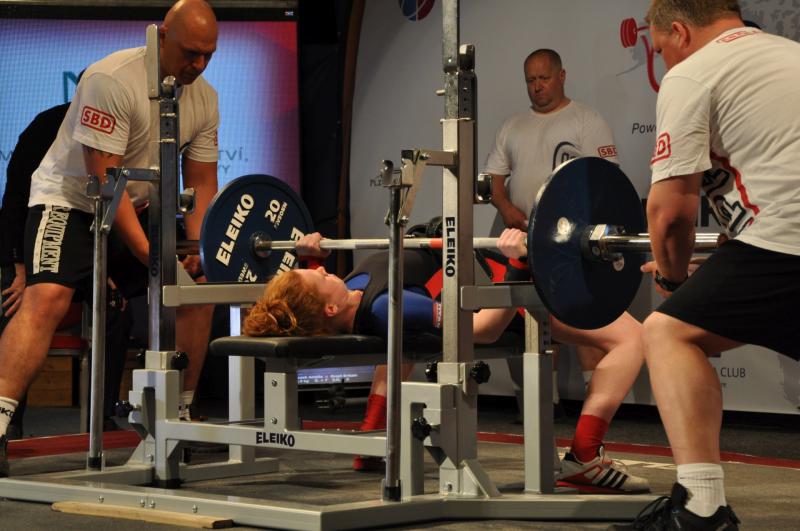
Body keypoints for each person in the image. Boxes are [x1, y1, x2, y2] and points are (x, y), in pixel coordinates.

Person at [245, 230, 650, 494]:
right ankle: (585, 456)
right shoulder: (388, 308)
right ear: (330, 309)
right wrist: (517, 264)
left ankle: (371, 441)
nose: (320, 268)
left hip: (495, 274)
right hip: (514, 297)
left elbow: (321, 301)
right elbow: (485, 329)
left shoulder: (349, 297)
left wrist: (310, 256)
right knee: (633, 338)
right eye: (316, 274)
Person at [0, 0, 219, 477]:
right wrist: (151, 255)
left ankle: (178, 418)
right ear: (162, 36)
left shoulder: (204, 97)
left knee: (195, 294)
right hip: (70, 202)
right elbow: (105, 181)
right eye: (191, 53)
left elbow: (203, 182)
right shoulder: (111, 79)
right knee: (48, 298)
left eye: (208, 54)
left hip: (135, 206)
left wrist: (199, 250)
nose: (199, 65)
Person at [614, 1, 800, 529]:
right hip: (779, 241)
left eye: (660, 50)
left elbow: (670, 212)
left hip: (786, 237)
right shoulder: (788, 54)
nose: (663, 63)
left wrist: (673, 279)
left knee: (668, 332)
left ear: (678, 31)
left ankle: (701, 508)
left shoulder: (694, 72)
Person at [486, 48, 618, 412]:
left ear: (561, 76)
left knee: (583, 322)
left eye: (544, 78)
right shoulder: (512, 125)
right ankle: (547, 408)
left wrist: (578, 225)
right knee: (535, 321)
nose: (537, 86)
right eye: (530, 80)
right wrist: (507, 209)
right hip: (525, 242)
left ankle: (596, 410)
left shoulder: (586, 120)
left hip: (572, 241)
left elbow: (605, 179)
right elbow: (495, 182)